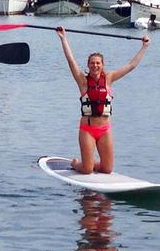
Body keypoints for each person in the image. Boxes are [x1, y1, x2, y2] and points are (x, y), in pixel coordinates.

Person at [56, 26, 150, 174]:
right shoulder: (83, 81)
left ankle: (90, 162)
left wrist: (144, 47)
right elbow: (71, 60)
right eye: (92, 63)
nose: (95, 65)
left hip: (105, 130)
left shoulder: (109, 79)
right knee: (86, 170)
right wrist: (63, 38)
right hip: (87, 130)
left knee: (107, 169)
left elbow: (131, 65)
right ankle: (77, 164)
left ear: (102, 65)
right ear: (88, 65)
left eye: (98, 63)